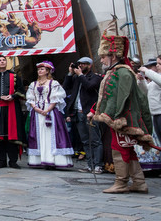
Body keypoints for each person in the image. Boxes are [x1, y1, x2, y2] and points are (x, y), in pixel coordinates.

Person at [90, 23, 154, 194]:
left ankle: (121, 183)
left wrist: (113, 116)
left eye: (103, 56)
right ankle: (139, 183)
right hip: (118, 118)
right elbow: (107, 96)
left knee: (119, 150)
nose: (101, 59)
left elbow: (122, 98)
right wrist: (94, 111)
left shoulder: (123, 73)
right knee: (127, 149)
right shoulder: (115, 72)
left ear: (112, 55)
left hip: (123, 119)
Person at [26, 61, 73, 169]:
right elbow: (30, 98)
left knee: (52, 135)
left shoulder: (53, 83)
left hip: (51, 112)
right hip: (37, 113)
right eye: (39, 69)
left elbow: (56, 98)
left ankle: (54, 160)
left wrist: (47, 110)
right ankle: (42, 159)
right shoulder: (33, 84)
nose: (40, 71)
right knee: (39, 135)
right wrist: (36, 108)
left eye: (42, 69)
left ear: (48, 71)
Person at [0, 55, 26, 169]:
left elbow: (21, 91)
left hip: (12, 108)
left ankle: (13, 161)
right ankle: (1, 161)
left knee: (11, 135)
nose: (2, 62)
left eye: (3, 60)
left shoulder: (14, 75)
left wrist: (12, 96)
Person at [63, 56, 104, 173]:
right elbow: (65, 87)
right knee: (85, 140)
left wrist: (80, 75)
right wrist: (70, 73)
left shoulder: (95, 77)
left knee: (95, 140)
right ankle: (90, 165)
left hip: (89, 113)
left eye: (83, 64)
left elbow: (90, 86)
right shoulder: (76, 78)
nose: (80, 66)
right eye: (79, 64)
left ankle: (98, 165)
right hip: (78, 113)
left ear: (89, 65)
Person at [138, 56, 161, 144]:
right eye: (157, 64)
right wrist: (141, 81)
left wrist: (147, 71)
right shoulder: (155, 79)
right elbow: (145, 91)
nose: (157, 66)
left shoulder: (157, 78)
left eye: (159, 64)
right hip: (155, 114)